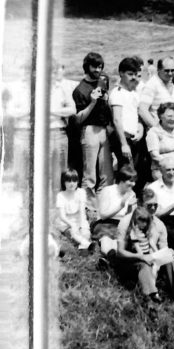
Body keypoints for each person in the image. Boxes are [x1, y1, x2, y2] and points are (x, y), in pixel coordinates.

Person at [73, 51, 114, 193]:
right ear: (87, 67)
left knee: (107, 175)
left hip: (104, 130)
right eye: (94, 67)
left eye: (100, 67)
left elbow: (107, 105)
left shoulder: (102, 81)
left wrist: (110, 125)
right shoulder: (80, 89)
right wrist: (92, 102)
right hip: (89, 130)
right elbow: (78, 119)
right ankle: (88, 208)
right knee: (89, 176)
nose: (98, 70)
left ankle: (105, 206)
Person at [55, 168, 91, 250]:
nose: (72, 184)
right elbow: (62, 217)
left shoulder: (81, 192)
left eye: (74, 181)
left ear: (77, 182)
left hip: (79, 220)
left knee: (85, 233)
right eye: (69, 181)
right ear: (64, 182)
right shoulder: (60, 195)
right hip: (66, 223)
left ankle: (83, 247)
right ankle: (87, 244)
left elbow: (82, 213)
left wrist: (82, 226)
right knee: (73, 233)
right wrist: (72, 225)